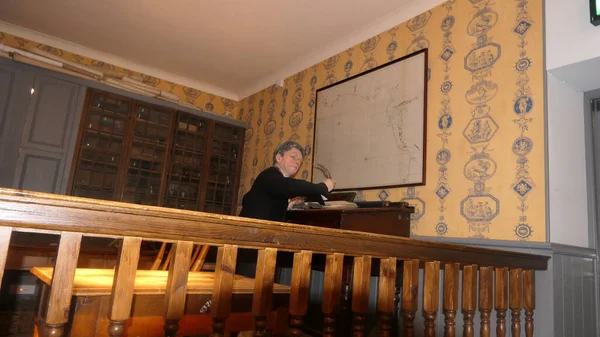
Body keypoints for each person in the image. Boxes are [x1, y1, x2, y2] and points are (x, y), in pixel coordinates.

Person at [239, 141, 335, 221]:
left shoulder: (276, 182)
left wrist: (287, 205)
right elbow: (289, 186)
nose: (298, 162)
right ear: (279, 157)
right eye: (293, 157)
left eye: (300, 161)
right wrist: (323, 186)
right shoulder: (269, 175)